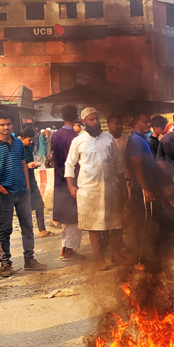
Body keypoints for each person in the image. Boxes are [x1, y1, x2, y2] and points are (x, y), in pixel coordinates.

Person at [0, 113, 46, 277]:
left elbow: (24, 166)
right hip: (5, 195)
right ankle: (5, 263)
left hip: (22, 193)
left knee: (28, 227)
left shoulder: (19, 144)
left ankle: (29, 259)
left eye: (9, 124)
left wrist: (27, 188)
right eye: (2, 124)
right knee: (5, 229)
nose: (6, 127)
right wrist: (2, 190)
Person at [65, 107, 128, 272]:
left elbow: (118, 163)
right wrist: (71, 186)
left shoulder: (108, 138)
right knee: (94, 227)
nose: (95, 122)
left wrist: (122, 185)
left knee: (115, 224)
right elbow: (69, 165)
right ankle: (99, 258)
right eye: (91, 120)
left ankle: (116, 254)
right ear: (84, 122)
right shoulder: (78, 141)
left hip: (111, 188)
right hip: (89, 191)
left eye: (97, 119)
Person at [52, 105, 83, 260]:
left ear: (62, 117)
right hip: (72, 179)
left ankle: (65, 248)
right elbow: (74, 162)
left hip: (59, 179)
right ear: (76, 117)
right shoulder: (75, 138)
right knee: (74, 216)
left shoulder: (55, 135)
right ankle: (69, 250)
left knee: (65, 216)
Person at [126, 112, 155, 260]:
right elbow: (137, 167)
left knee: (145, 222)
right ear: (136, 122)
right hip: (141, 188)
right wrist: (146, 188)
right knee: (142, 223)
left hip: (142, 186)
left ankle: (143, 255)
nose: (149, 124)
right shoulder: (136, 140)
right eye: (145, 121)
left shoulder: (140, 139)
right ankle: (140, 257)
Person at [19, 128, 52, 238]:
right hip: (22, 182)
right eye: (29, 140)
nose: (31, 142)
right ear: (22, 138)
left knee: (39, 205)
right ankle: (26, 232)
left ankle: (42, 230)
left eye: (32, 139)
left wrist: (32, 165)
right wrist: (27, 166)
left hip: (31, 180)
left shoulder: (28, 147)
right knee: (25, 208)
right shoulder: (17, 149)